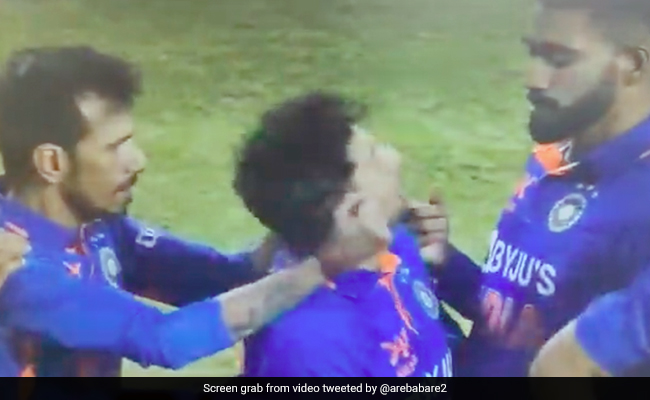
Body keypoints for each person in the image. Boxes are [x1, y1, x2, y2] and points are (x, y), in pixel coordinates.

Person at [0, 46, 393, 377]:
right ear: (52, 163)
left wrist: (306, 208)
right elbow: (163, 339)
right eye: (114, 148)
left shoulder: (97, 226)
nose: (137, 161)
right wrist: (327, 264)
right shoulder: (18, 269)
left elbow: (224, 277)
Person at [430, 0, 650, 377]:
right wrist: (445, 263)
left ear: (631, 64)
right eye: (533, 53)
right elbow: (516, 319)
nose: (532, 79)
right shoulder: (555, 153)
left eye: (559, 60)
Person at [233, 92, 452, 377]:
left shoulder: (390, 244)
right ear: (347, 208)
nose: (394, 159)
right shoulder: (312, 350)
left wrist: (435, 264)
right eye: (373, 156)